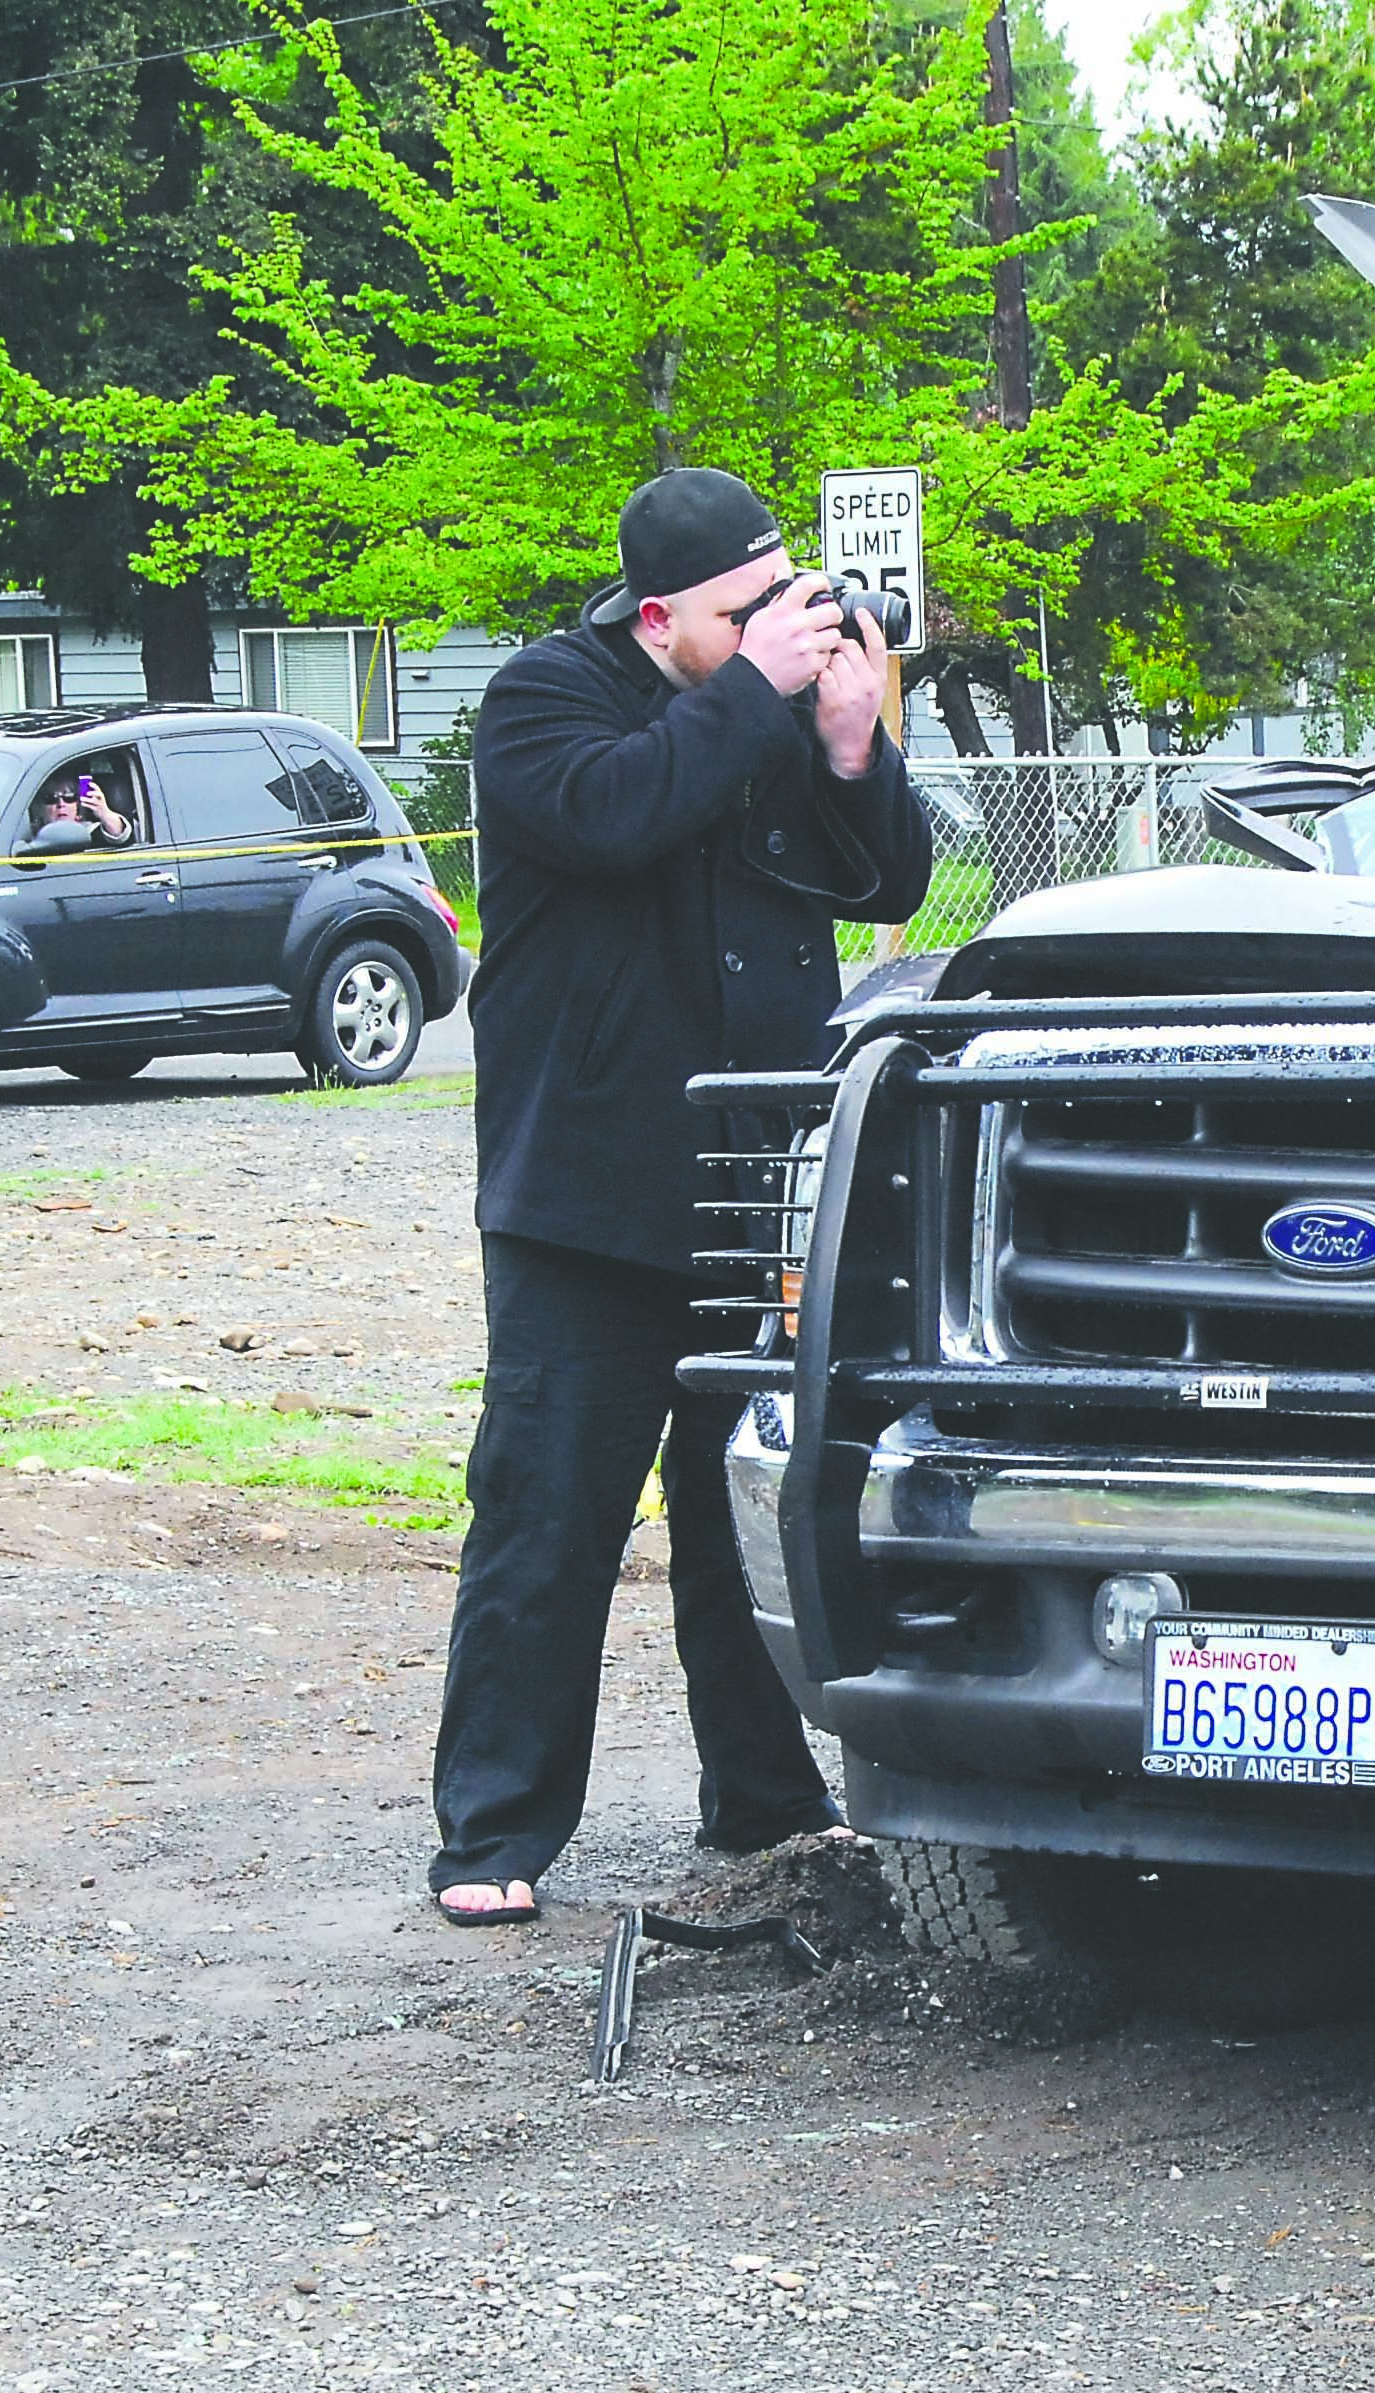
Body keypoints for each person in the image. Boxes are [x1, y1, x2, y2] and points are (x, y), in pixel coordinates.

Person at [427, 467, 935, 1927]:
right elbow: (615, 816)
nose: (786, 626)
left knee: (743, 1509)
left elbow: (882, 876)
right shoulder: (544, 700)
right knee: (548, 1517)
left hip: (750, 1187)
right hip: (583, 1190)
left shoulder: (762, 713)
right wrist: (758, 698)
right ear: (660, 618)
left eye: (790, 597)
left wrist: (848, 749)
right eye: (748, 611)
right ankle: (494, 1834)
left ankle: (766, 1806)